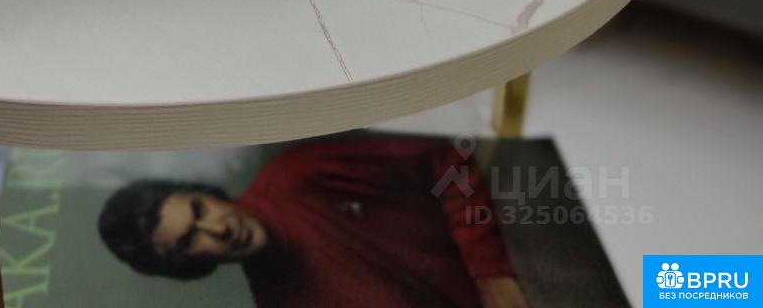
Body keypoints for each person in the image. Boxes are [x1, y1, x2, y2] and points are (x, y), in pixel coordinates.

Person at [98, 135, 530, 308]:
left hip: (523, 266)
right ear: (186, 265)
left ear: (206, 194)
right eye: (190, 240)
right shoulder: (278, 299)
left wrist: (491, 272)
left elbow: (446, 153)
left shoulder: (297, 176)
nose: (218, 229)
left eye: (199, 211)